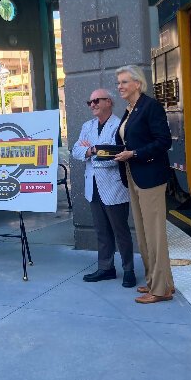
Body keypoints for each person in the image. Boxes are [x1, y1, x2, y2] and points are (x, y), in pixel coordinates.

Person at [113, 66, 175, 304]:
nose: (120, 86)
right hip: (133, 175)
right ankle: (156, 281)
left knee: (154, 234)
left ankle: (160, 290)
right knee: (143, 233)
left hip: (149, 176)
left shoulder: (151, 107)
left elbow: (163, 141)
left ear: (137, 84)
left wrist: (135, 153)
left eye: (124, 82)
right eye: (118, 83)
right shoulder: (130, 110)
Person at [72, 88, 136, 288]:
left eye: (96, 101)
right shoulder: (87, 126)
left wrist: (93, 153)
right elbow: (76, 150)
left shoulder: (120, 125)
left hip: (114, 187)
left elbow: (118, 155)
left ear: (108, 102)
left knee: (121, 231)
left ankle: (128, 270)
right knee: (101, 231)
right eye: (89, 102)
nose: (92, 105)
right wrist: (93, 150)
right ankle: (106, 268)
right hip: (93, 187)